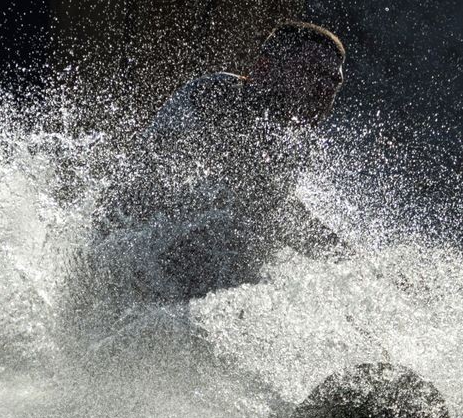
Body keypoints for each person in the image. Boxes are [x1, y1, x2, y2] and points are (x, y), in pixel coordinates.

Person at [91, 20, 348, 303]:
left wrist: (353, 266)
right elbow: (142, 185)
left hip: (187, 274)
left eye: (332, 80)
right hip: (132, 263)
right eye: (309, 72)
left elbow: (277, 212)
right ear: (263, 69)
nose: (324, 88)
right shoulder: (218, 96)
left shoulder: (290, 138)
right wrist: (346, 261)